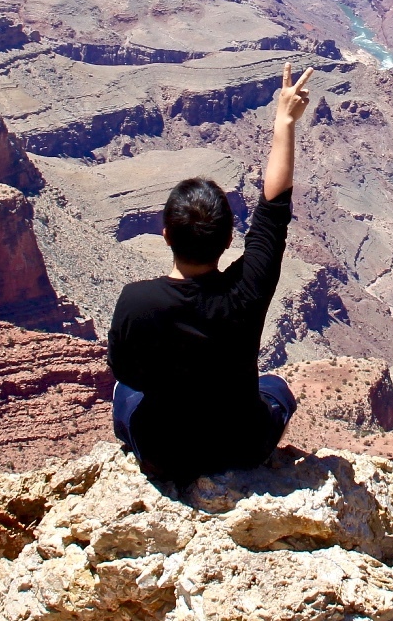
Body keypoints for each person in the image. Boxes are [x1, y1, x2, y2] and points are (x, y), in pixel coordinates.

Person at [107, 63, 313, 483]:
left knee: (122, 394)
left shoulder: (137, 302)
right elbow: (273, 213)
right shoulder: (248, 288)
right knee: (276, 388)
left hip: (165, 453)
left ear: (166, 235)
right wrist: (284, 121)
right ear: (227, 238)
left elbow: (126, 372)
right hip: (242, 445)